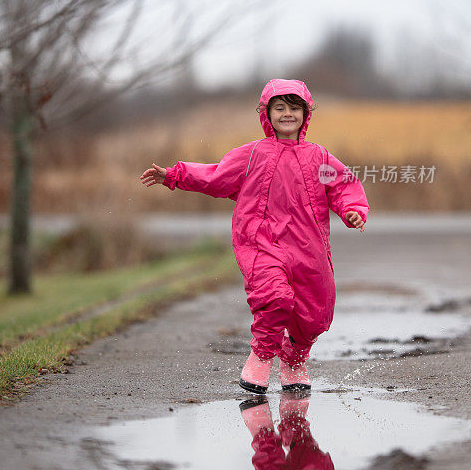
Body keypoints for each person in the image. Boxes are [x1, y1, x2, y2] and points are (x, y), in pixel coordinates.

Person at [140, 78, 369, 394]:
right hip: (261, 242)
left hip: (308, 246)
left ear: (306, 114)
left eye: (294, 108)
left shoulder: (320, 157)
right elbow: (215, 175)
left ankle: (293, 359)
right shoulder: (253, 154)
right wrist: (175, 175)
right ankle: (261, 357)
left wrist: (352, 210)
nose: (287, 114)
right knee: (274, 298)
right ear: (267, 114)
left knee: (316, 315)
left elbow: (344, 186)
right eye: (279, 108)